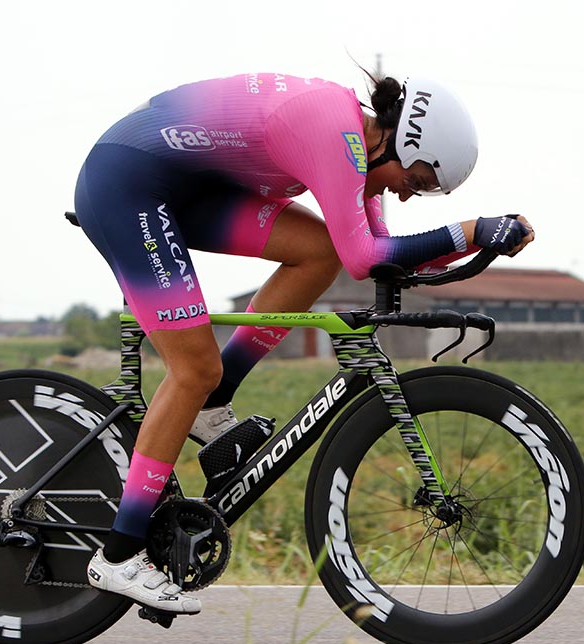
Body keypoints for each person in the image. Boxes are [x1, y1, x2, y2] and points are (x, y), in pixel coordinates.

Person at [74, 70, 534, 613]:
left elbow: (375, 248)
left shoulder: (360, 150)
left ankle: (213, 405)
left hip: (188, 189)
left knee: (319, 250)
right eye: (415, 180)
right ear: (404, 141)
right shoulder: (333, 134)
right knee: (193, 369)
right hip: (128, 183)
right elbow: (368, 259)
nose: (407, 195)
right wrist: (472, 231)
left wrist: (475, 245)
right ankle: (119, 554)